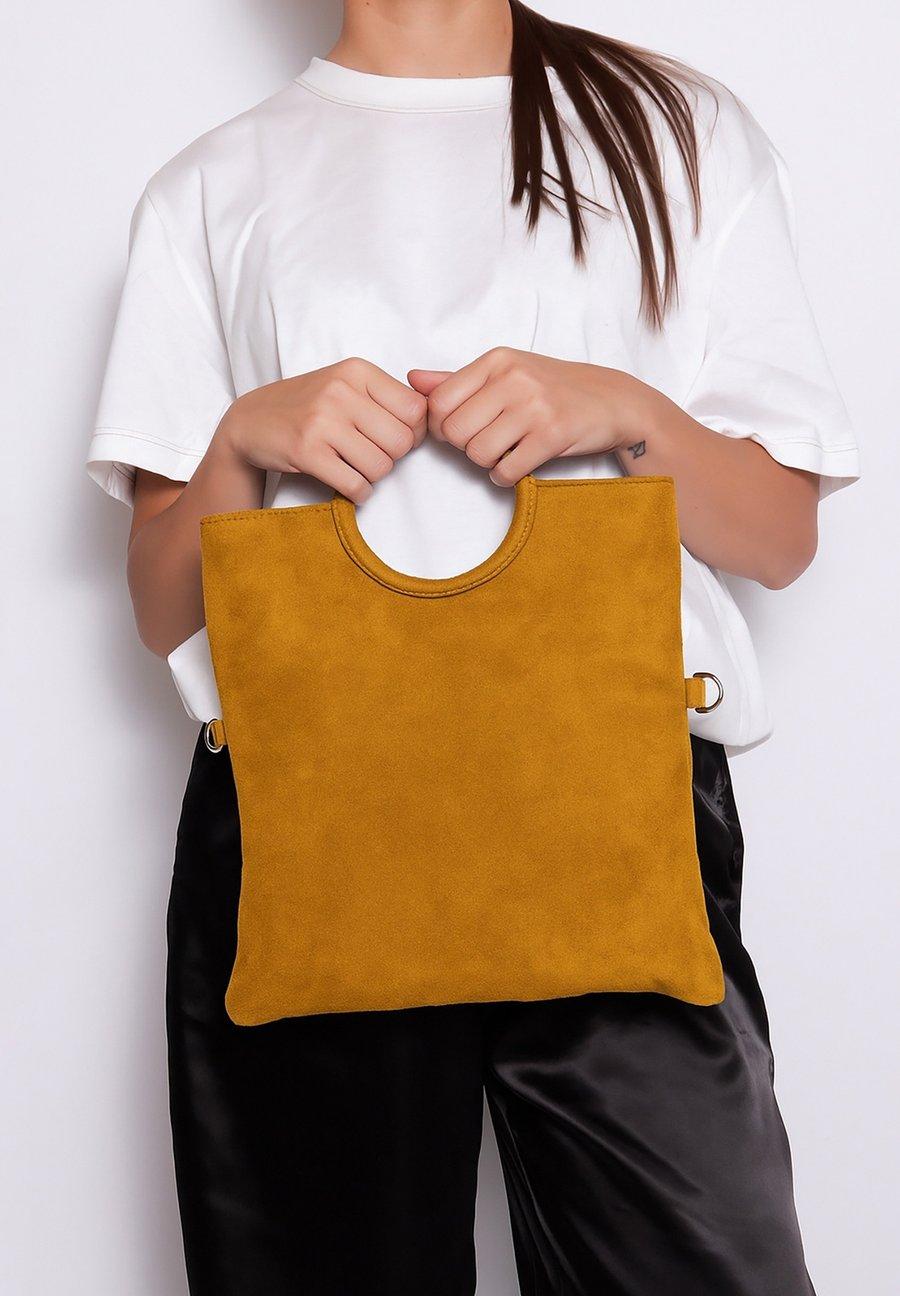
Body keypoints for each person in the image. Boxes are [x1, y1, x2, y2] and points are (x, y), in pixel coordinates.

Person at [86, 2, 859, 1293]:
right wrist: (240, 444)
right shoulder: (213, 186)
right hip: (311, 822)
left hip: (607, 806)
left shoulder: (673, 131)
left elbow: (781, 536)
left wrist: (626, 412)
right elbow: (163, 608)